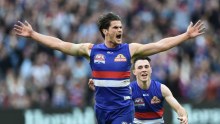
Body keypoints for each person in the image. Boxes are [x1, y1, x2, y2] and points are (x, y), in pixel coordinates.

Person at [14, 12, 202, 124]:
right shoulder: (91, 50)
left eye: (121, 27)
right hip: (101, 109)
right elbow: (60, 44)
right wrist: (33, 34)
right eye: (115, 28)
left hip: (123, 109)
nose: (120, 30)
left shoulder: (130, 50)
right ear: (105, 31)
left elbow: (160, 45)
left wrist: (185, 36)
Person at [88, 56, 188, 124]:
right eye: (140, 67)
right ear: (134, 72)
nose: (144, 69)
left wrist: (184, 116)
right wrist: (98, 88)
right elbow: (110, 98)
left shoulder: (161, 89)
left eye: (146, 67)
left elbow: (179, 108)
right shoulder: (128, 89)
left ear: (151, 70)